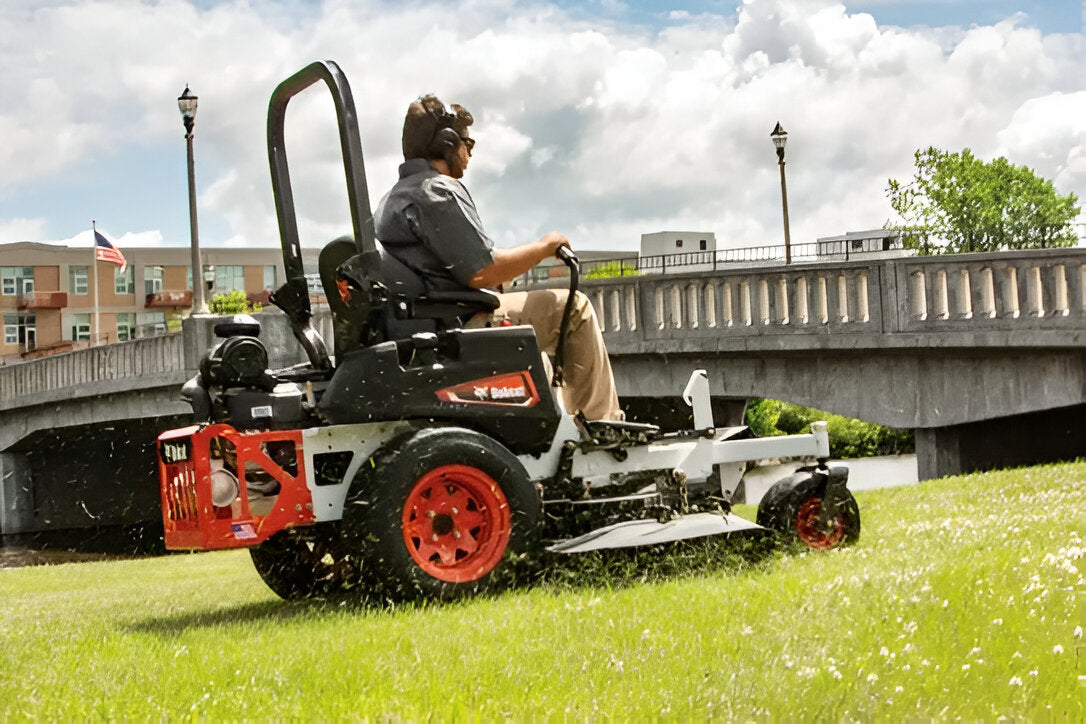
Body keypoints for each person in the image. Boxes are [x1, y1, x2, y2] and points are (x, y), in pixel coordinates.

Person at [373, 94, 623, 421]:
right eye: (467, 143)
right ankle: (601, 422)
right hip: (459, 323)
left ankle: (563, 422)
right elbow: (483, 271)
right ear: (447, 143)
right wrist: (546, 245)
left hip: (432, 318)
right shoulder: (438, 190)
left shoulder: (391, 198)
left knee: (543, 357)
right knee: (573, 309)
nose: (469, 153)